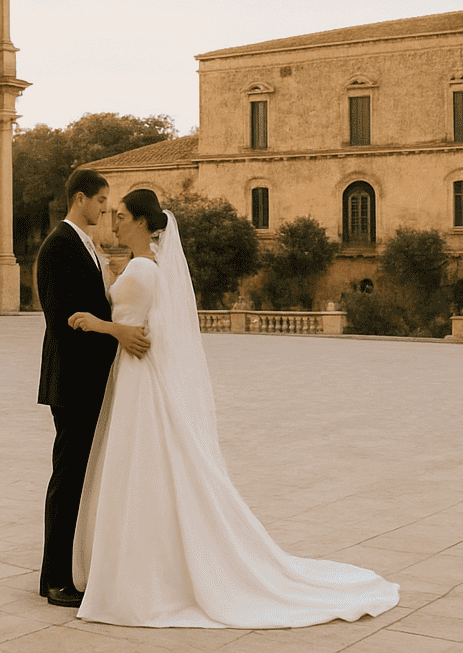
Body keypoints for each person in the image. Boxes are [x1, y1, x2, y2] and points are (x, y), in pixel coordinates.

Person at [67, 189, 400, 627]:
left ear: (146, 223)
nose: (115, 222)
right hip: (131, 378)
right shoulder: (140, 267)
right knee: (140, 467)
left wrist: (99, 324)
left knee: (143, 466)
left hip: (138, 377)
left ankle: (143, 574)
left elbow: (142, 334)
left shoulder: (146, 269)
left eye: (124, 215)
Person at [35, 169, 150, 608]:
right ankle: (56, 581)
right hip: (72, 383)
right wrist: (114, 330)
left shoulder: (86, 244)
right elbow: (61, 317)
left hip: (90, 381)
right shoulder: (57, 246)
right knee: (67, 479)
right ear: (80, 199)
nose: (105, 208)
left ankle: (59, 572)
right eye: (101, 200)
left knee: (77, 477)